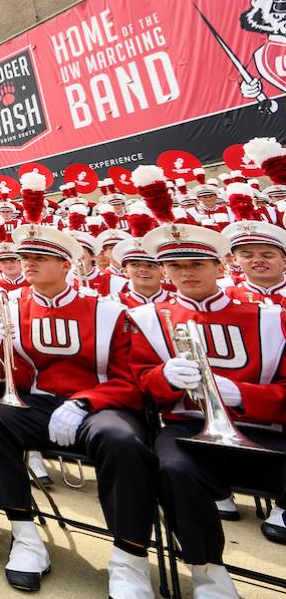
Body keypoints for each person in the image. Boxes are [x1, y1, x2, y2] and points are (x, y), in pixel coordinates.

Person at [0, 203, 158, 596]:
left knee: (122, 440)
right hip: (39, 405)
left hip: (100, 406)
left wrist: (85, 401)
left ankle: (129, 559)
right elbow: (14, 378)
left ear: (64, 263)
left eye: (39, 257)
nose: (27, 264)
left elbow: (132, 380)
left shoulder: (107, 310)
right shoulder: (14, 306)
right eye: (25, 257)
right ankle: (25, 535)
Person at [128, 223, 286, 595]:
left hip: (264, 429)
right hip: (189, 428)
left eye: (197, 263)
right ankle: (207, 572)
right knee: (171, 468)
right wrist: (163, 376)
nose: (187, 273)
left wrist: (246, 396)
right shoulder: (149, 320)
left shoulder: (271, 318)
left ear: (221, 266)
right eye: (176, 265)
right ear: (165, 271)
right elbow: (139, 388)